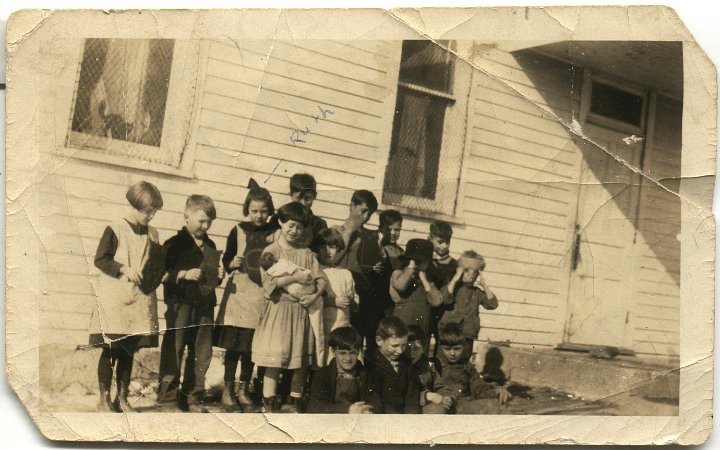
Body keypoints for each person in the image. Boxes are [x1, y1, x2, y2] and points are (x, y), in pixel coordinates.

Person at [90, 181, 164, 412]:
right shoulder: (116, 228)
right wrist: (123, 268)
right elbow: (101, 259)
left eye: (154, 212)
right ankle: (104, 399)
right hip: (116, 299)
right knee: (111, 349)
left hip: (140, 300)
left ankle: (121, 398)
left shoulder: (154, 234)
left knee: (129, 350)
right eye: (147, 211)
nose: (151, 216)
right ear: (134, 205)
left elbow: (155, 264)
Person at [252, 202, 328, 413]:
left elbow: (321, 279)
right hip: (279, 311)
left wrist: (314, 296)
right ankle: (269, 404)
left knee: (299, 363)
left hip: (302, 312)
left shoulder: (306, 253)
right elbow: (269, 284)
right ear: (280, 223)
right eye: (290, 225)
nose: (294, 231)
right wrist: (294, 277)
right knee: (275, 361)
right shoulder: (271, 252)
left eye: (299, 227)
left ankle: (294, 404)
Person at [214, 179, 277, 412]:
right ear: (247, 210)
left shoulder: (274, 233)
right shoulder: (238, 230)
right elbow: (226, 260)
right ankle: (227, 390)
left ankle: (243, 389)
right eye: (254, 211)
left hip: (261, 294)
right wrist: (232, 262)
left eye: (263, 211)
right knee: (234, 345)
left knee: (252, 345)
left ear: (270, 211)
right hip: (239, 293)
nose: (259, 216)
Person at [158, 195, 225, 412]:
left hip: (205, 306)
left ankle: (193, 396)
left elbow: (212, 278)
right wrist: (183, 274)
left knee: (201, 352)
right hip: (180, 305)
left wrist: (220, 275)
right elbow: (161, 274)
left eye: (209, 222)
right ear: (187, 216)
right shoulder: (174, 244)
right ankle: (168, 398)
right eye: (201, 221)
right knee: (174, 349)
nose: (205, 226)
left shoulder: (212, 245)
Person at [334, 190, 384, 355]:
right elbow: (332, 260)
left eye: (370, 213)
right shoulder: (336, 231)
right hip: (339, 294)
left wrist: (376, 266)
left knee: (357, 341)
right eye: (363, 211)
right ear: (351, 206)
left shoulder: (370, 236)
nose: (366, 217)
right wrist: (349, 232)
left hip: (361, 294)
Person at [432, 323, 511, 414]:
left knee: (495, 405)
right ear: (441, 347)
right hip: (441, 406)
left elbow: (479, 390)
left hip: (463, 407)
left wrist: (496, 391)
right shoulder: (433, 365)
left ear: (463, 347)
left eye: (457, 349)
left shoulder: (466, 366)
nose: (452, 353)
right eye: (447, 349)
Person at [313, 228, 359, 365]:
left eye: (332, 247)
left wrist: (351, 301)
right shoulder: (318, 271)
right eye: (323, 247)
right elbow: (314, 298)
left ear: (339, 248)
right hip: (323, 326)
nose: (327, 251)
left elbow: (355, 302)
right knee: (323, 360)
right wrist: (334, 301)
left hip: (343, 326)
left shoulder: (345, 273)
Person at [439, 250, 498, 356]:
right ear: (460, 270)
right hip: (449, 334)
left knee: (464, 362)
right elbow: (444, 298)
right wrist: (456, 278)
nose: (471, 275)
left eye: (475, 272)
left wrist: (484, 285)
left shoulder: (477, 292)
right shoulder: (454, 287)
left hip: (467, 334)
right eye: (467, 271)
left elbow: (492, 304)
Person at [307, 327, 377, 414]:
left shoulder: (366, 374)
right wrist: (347, 409)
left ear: (359, 351)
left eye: (352, 353)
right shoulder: (322, 375)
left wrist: (369, 409)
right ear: (333, 351)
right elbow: (315, 406)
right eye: (342, 353)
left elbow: (375, 401)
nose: (348, 359)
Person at [389, 239, 446, 339]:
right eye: (415, 261)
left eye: (422, 262)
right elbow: (400, 287)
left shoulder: (428, 282)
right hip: (403, 323)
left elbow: (436, 301)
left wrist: (424, 279)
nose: (418, 265)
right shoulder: (399, 274)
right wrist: (410, 269)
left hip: (422, 326)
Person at [364, 316, 421, 414]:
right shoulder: (370, 364)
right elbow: (373, 400)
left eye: (404, 345)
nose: (399, 351)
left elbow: (412, 399)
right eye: (394, 346)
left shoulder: (406, 364)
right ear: (379, 341)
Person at [427, 220, 458, 356]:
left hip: (445, 313)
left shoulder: (454, 265)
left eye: (447, 242)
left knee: (442, 347)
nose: (444, 246)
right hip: (426, 310)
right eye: (440, 242)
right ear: (430, 239)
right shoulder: (425, 261)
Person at [406, 326, 453, 414]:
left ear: (423, 348)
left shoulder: (428, 365)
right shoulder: (401, 367)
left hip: (426, 405)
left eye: (416, 348)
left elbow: (439, 385)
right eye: (407, 348)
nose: (411, 353)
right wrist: (427, 396)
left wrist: (446, 396)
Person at [288, 173, 328, 248]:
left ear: (314, 196)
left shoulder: (319, 225)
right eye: (298, 198)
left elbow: (320, 253)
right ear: (291, 195)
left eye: (307, 198)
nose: (303, 203)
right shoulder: (279, 218)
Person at [378, 209, 404, 317]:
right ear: (381, 229)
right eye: (389, 229)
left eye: (397, 229)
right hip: (381, 302)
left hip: (397, 304)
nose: (393, 233)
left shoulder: (401, 252)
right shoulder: (379, 249)